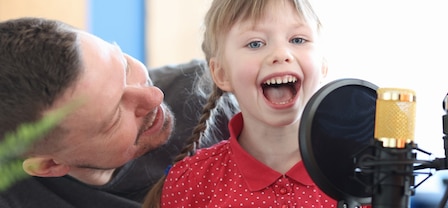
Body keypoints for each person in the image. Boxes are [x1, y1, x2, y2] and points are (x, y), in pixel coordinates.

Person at [0, 17, 237, 207]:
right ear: (49, 165)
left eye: (125, 66)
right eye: (114, 118)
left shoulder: (214, 90)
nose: (155, 96)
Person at [141, 0, 341, 207]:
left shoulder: (360, 172)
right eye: (255, 44)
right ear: (222, 73)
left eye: (298, 40)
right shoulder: (190, 183)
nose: (281, 54)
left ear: (323, 65)